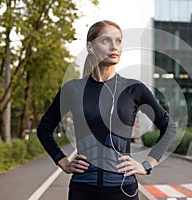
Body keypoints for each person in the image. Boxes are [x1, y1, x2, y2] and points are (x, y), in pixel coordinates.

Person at [37, 20, 176, 200]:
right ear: (90, 46)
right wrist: (62, 161)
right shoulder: (73, 89)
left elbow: (169, 127)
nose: (114, 46)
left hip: (123, 190)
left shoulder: (134, 89)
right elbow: (44, 128)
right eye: (106, 41)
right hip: (83, 190)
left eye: (118, 41)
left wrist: (147, 164)